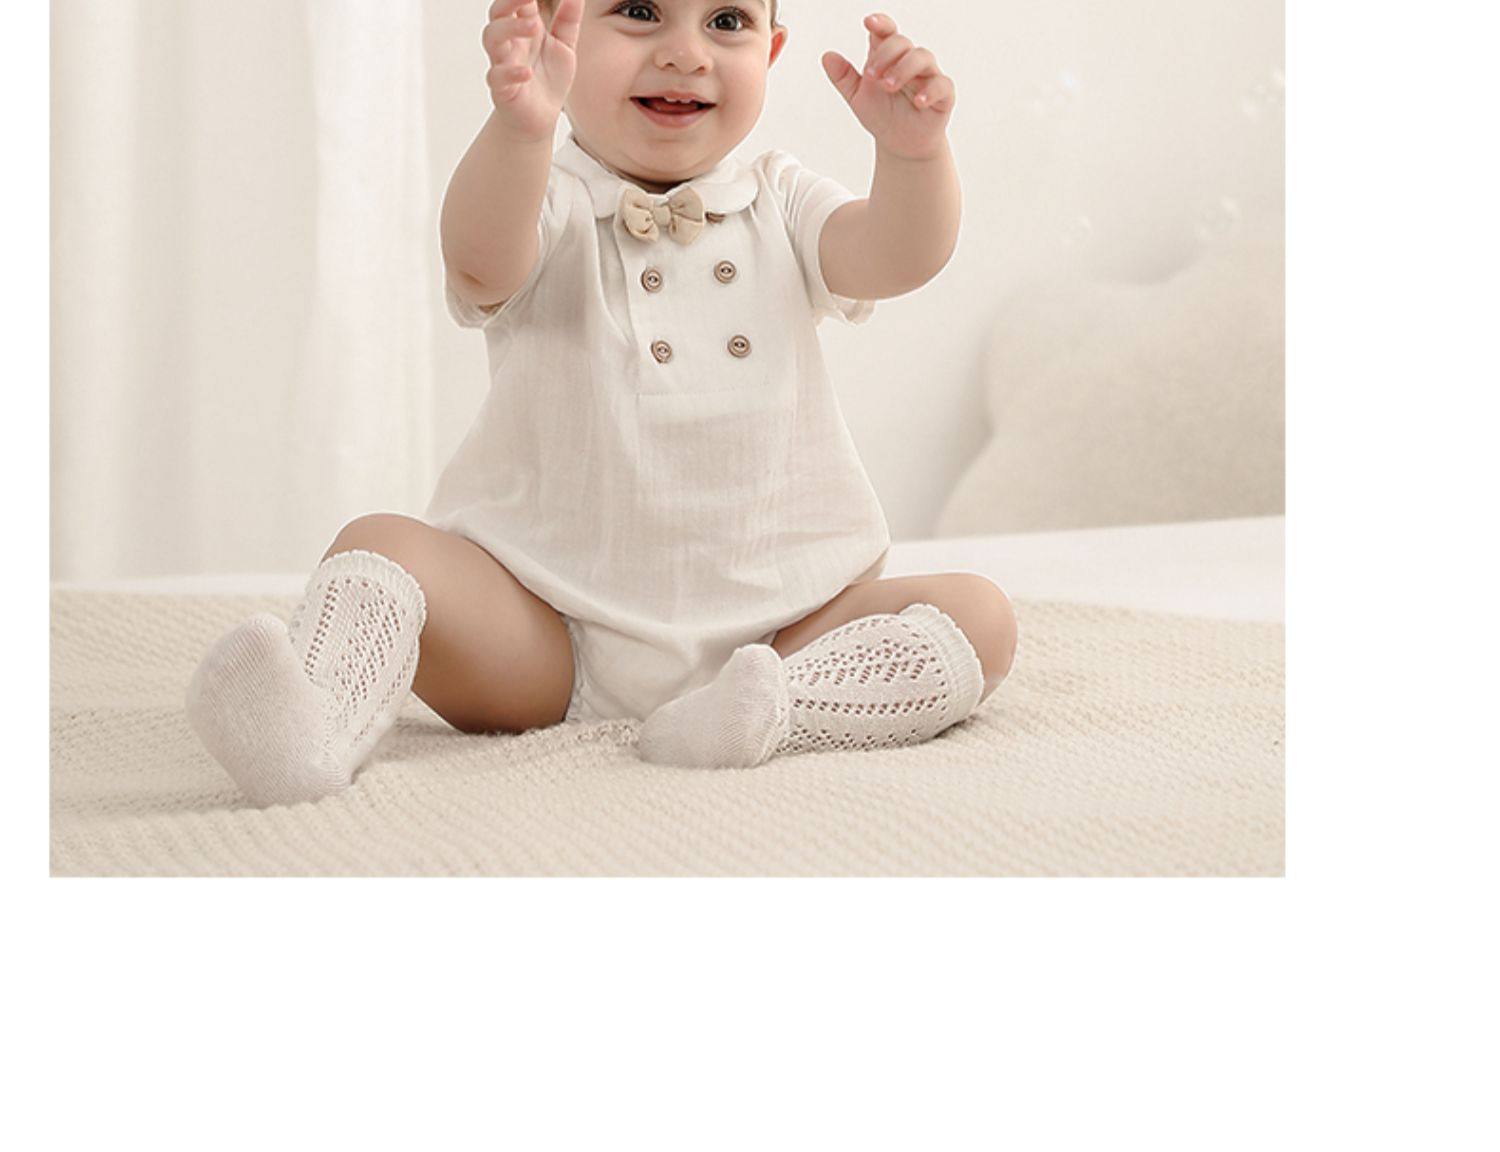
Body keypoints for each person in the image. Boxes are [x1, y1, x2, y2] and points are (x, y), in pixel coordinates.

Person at [185, 0, 1017, 808]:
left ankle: (773, 712)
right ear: (561, 29)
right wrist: (521, 128)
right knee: (380, 544)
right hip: (549, 635)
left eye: (727, 21)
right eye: (641, 11)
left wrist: (912, 156)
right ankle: (309, 731)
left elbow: (896, 256)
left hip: (784, 628)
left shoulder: (784, 200)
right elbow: (478, 264)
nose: (686, 52)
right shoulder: (543, 197)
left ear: (770, 51)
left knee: (981, 618)